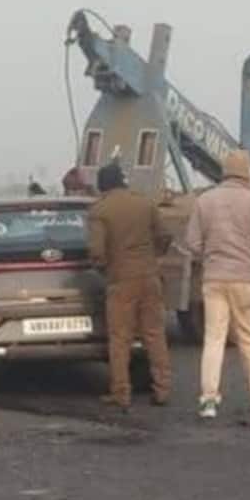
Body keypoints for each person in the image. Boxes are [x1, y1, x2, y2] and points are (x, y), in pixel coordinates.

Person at [183, 149, 250, 419]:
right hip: (246, 279)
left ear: (224, 171)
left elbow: (192, 243)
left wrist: (209, 258)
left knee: (214, 339)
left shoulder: (205, 201)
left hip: (214, 279)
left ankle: (208, 400)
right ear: (247, 171)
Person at [87, 162, 173, 409]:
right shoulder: (145, 204)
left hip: (121, 280)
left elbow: (96, 251)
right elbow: (165, 236)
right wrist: (153, 258)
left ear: (103, 185)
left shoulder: (100, 210)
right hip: (150, 276)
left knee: (120, 338)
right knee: (154, 334)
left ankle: (121, 392)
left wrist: (105, 269)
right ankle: (162, 389)